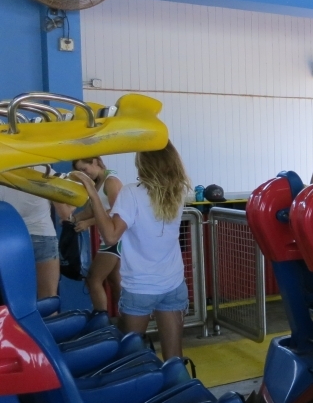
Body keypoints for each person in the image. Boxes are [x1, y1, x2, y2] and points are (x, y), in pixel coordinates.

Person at [70, 142, 192, 359]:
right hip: (173, 283)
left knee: (128, 357)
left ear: (143, 163)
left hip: (140, 287)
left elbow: (111, 236)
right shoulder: (178, 191)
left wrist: (93, 193)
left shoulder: (131, 193)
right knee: (174, 357)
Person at [69, 157, 123, 314]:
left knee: (93, 279)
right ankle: (126, 318)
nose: (84, 174)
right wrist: (73, 219)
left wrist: (88, 223)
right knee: (114, 281)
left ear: (94, 162)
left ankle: (102, 319)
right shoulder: (97, 183)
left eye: (84, 169)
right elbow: (91, 211)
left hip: (115, 238)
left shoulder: (110, 181)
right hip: (109, 237)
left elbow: (117, 211)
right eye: (80, 171)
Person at [0, 169, 60, 299]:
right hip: (43, 235)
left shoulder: (3, 168)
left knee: (15, 300)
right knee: (48, 298)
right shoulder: (45, 170)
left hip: (10, 239)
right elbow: (66, 211)